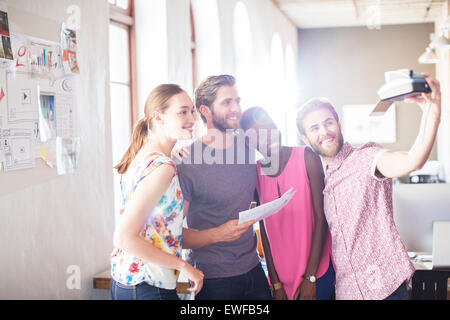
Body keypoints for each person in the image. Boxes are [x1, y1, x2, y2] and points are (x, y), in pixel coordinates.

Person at [296, 74, 441, 300]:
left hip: (385, 289)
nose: (324, 131)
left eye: (328, 122)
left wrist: (432, 111)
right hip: (347, 292)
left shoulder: (366, 158)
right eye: (314, 128)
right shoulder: (323, 182)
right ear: (305, 138)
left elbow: (413, 160)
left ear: (339, 124)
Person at [176, 75, 272, 300]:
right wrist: (219, 234)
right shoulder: (189, 162)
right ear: (205, 110)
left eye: (237, 101)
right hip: (213, 279)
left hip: (254, 269)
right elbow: (174, 235)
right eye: (227, 102)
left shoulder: (248, 146)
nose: (236, 108)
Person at [110, 84, 204, 300]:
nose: (192, 118)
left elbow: (155, 227)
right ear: (158, 117)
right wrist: (185, 267)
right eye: (182, 112)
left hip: (128, 282)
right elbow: (124, 237)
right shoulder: (162, 168)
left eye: (192, 111)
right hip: (148, 285)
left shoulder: (142, 156)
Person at [240, 107, 335, 300]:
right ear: (249, 142)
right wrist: (275, 283)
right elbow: (263, 229)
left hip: (317, 270)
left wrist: (310, 278)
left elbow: (321, 217)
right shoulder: (255, 172)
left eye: (272, 127)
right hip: (280, 278)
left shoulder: (307, 157)